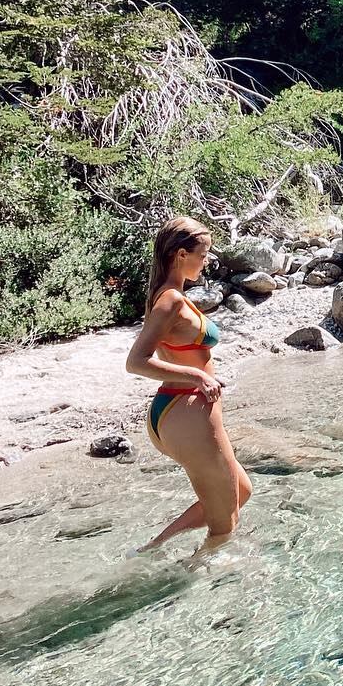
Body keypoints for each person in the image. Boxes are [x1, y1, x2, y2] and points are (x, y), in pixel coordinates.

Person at [125, 216, 252, 551]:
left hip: (178, 411)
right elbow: (135, 362)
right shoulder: (170, 300)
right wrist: (198, 375)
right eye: (203, 253)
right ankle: (200, 578)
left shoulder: (168, 295)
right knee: (225, 523)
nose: (207, 260)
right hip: (186, 410)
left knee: (241, 492)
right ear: (181, 255)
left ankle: (151, 550)